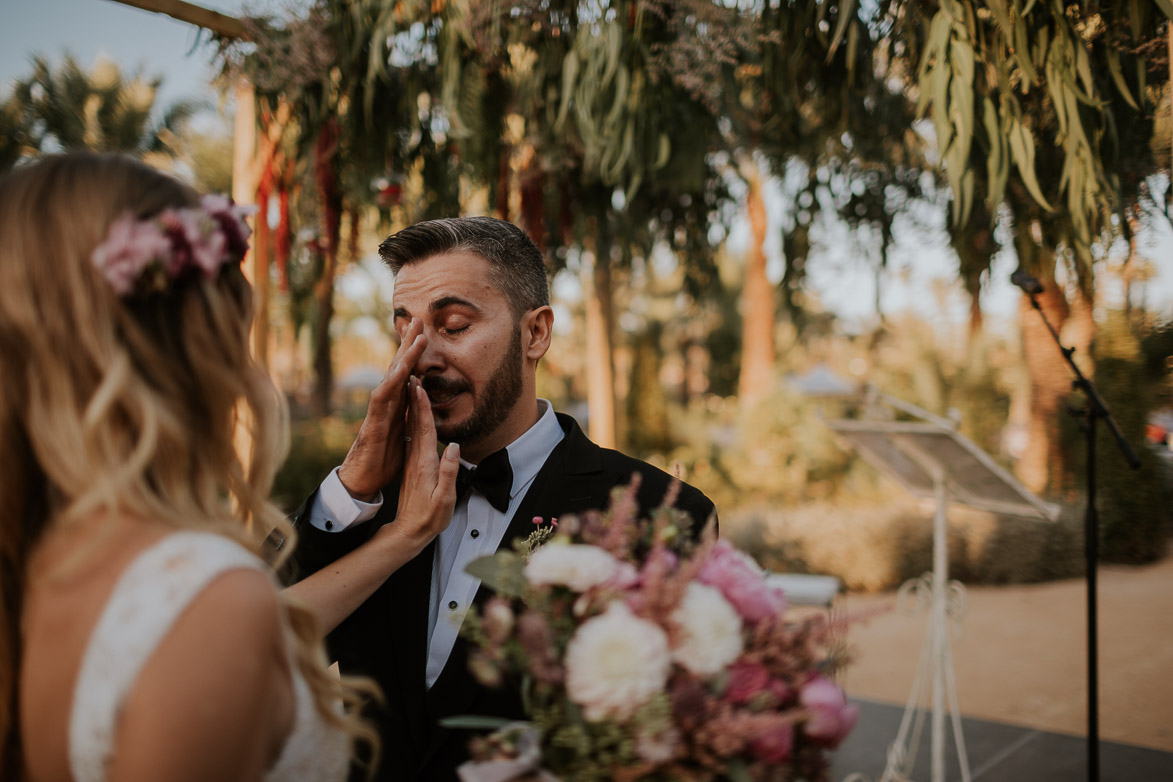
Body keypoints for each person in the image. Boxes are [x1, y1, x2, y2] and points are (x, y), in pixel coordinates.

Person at [0, 153, 456, 782]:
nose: (251, 373)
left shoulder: (44, 558)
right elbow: (220, 629)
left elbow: (248, 627)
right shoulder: (207, 607)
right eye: (235, 337)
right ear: (184, 353)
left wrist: (401, 535)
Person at [289, 216, 717, 781]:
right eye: (405, 330)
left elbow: (682, 740)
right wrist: (350, 490)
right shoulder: (361, 504)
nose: (420, 357)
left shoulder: (659, 514)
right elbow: (250, 652)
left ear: (535, 333)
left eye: (455, 325)